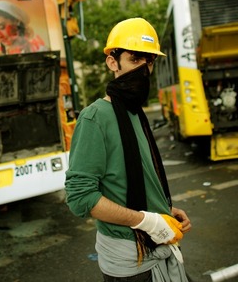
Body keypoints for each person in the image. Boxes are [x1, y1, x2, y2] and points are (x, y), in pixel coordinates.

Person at [65, 18, 192, 281]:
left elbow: (135, 178)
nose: (144, 69)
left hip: (158, 246)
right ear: (113, 62)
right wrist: (147, 221)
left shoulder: (135, 113)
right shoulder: (94, 118)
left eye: (149, 61)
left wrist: (164, 211)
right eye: (135, 60)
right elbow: (81, 197)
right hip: (130, 261)